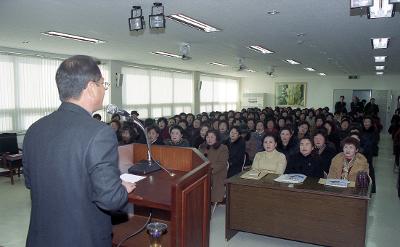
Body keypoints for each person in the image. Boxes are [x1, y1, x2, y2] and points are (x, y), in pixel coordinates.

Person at [22, 55, 135, 247]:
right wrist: (121, 188)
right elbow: (110, 200)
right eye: (103, 84)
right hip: (82, 238)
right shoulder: (99, 133)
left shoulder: (35, 129)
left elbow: (31, 183)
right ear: (91, 87)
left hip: (41, 237)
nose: (104, 89)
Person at [199, 130, 229, 203]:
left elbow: (222, 163)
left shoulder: (223, 148)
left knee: (209, 180)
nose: (209, 139)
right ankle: (199, 201)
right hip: (203, 172)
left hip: (216, 172)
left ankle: (209, 202)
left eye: (212, 137)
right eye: (207, 137)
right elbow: (197, 160)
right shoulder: (202, 147)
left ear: (217, 138)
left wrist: (209, 170)